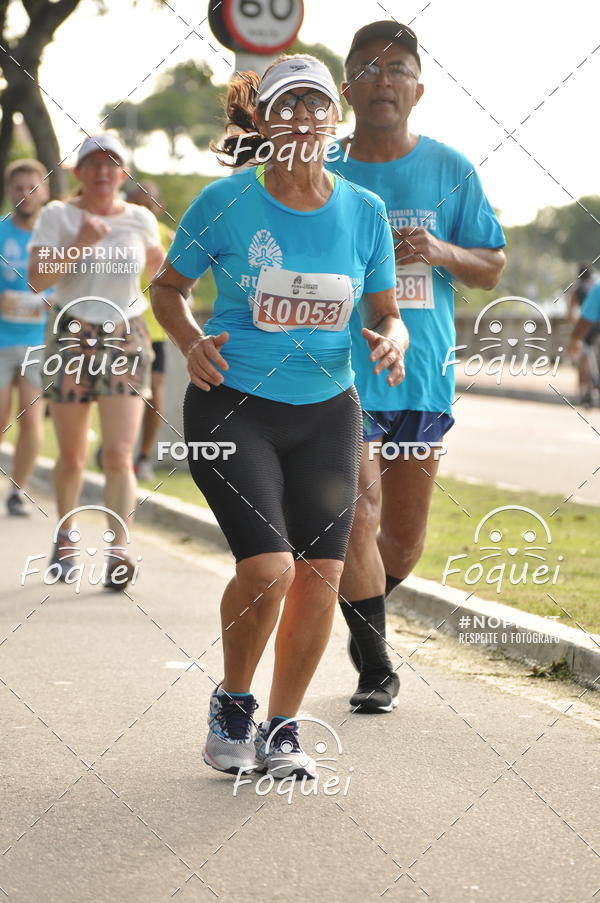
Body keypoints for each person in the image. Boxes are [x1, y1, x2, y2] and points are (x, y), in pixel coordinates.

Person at [151, 55, 408, 778]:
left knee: (320, 575)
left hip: (328, 409)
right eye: (286, 106)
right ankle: (235, 702)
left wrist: (392, 337)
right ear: (261, 121)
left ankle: (284, 727)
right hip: (232, 406)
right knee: (268, 568)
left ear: (336, 120)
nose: (302, 119)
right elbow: (167, 289)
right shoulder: (224, 202)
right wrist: (191, 340)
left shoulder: (365, 211)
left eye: (315, 106)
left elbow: (387, 310)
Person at [326, 21, 506, 713]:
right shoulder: (325, 169)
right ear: (348, 88)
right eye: (368, 69)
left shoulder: (449, 169)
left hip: (422, 371)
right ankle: (376, 665)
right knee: (358, 513)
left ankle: (356, 608)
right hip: (340, 369)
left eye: (397, 68)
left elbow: (491, 266)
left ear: (418, 88)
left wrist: (435, 248)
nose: (383, 80)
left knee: (403, 536)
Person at [28, 134, 164, 588]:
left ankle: (118, 548)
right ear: (78, 172)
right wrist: (82, 241)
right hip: (71, 331)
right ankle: (66, 534)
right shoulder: (58, 215)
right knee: (71, 455)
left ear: (124, 173)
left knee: (120, 452)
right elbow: (37, 278)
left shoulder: (141, 219)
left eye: (112, 164)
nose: (103, 172)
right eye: (93, 164)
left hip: (125, 334)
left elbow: (162, 277)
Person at [0, 158, 50, 515]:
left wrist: (52, 298)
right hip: (1, 340)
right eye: (19, 188)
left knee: (32, 420)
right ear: (9, 192)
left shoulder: (55, 235)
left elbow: (69, 284)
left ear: (44, 192)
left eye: (32, 187)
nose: (25, 194)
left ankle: (18, 491)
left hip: (38, 341)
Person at [126, 180, 174, 480]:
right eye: (137, 200)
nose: (144, 206)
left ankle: (142, 457)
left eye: (150, 201)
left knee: (154, 396)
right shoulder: (121, 231)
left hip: (154, 328)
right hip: (124, 326)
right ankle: (115, 449)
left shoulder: (167, 237)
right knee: (124, 394)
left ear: (159, 207)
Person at [567, 264, 598, 407]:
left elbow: (572, 313)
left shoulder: (577, 290)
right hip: (597, 326)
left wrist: (574, 338)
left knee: (583, 358)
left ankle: (585, 389)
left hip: (585, 326)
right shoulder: (593, 286)